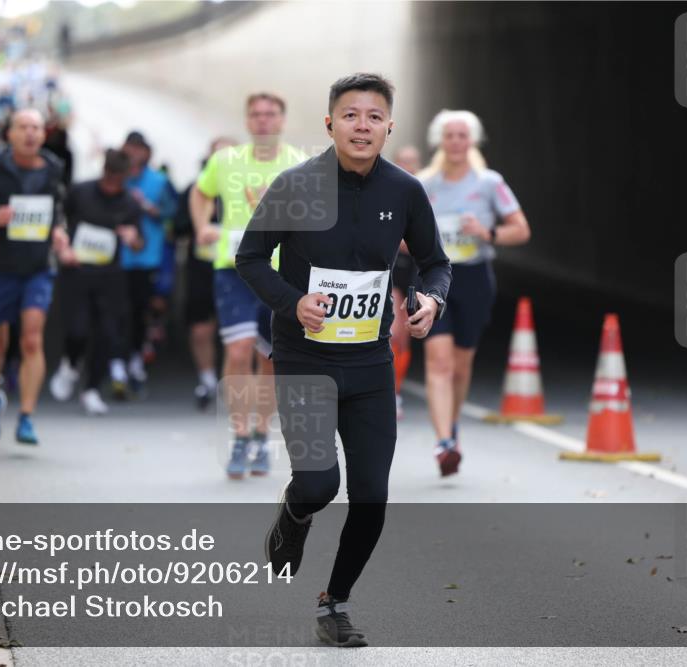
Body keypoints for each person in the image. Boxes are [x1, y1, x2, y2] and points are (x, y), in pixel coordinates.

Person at [236, 73, 451, 647]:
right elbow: (251, 257)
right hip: (304, 358)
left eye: (374, 116)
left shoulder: (405, 191)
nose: (363, 125)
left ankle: (336, 604)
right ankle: (295, 512)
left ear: (389, 126)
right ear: (330, 123)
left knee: (372, 497)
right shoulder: (295, 185)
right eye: (350, 115)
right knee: (319, 482)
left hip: (370, 363)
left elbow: (435, 262)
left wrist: (432, 298)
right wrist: (292, 301)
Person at [190, 94, 306, 479]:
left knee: (272, 359)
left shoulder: (300, 164)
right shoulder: (224, 162)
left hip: (281, 273)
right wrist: (202, 225)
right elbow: (200, 192)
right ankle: (239, 435)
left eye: (270, 114)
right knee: (238, 349)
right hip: (234, 268)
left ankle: (260, 433)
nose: (262, 121)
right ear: (247, 120)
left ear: (282, 121)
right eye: (255, 115)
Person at [417, 109, 531, 476]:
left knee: (461, 365)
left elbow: (521, 229)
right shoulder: (423, 184)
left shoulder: (488, 183)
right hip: (434, 279)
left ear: (472, 141)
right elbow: (401, 237)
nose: (455, 142)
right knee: (439, 361)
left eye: (462, 136)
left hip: (474, 278)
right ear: (439, 141)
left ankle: (452, 428)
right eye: (449, 135)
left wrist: (486, 233)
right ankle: (444, 442)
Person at [0, 108, 68, 445]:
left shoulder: (52, 169)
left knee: (32, 339)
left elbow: (58, 211)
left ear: (43, 134)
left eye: (36, 127)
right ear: (10, 134)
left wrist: (60, 232)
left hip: (37, 268)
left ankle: (26, 417)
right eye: (23, 127)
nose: (30, 133)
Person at [49, 149, 142, 415]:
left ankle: (91, 389)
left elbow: (139, 242)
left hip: (109, 276)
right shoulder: (80, 192)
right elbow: (58, 221)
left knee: (108, 334)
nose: (112, 182)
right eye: (108, 175)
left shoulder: (130, 204)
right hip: (76, 271)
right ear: (103, 171)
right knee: (77, 329)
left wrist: (132, 238)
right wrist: (62, 248)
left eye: (118, 178)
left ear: (126, 177)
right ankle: (70, 364)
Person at [173, 137, 237, 409]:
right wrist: (200, 227)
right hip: (202, 267)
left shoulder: (248, 187)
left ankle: (234, 385)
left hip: (239, 269)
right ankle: (207, 379)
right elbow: (177, 227)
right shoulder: (196, 189)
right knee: (201, 329)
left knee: (239, 333)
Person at [118, 131, 177, 395]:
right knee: (116, 311)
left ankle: (136, 355)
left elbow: (175, 212)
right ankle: (116, 360)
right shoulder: (116, 176)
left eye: (138, 149)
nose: (133, 154)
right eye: (129, 149)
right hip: (117, 256)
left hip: (148, 256)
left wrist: (154, 210)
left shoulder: (159, 181)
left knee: (141, 310)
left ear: (146, 153)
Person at [390, 144, 422, 419]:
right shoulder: (386, 193)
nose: (407, 167)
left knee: (406, 337)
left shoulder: (424, 195)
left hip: (415, 273)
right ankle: (391, 394)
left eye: (412, 162)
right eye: (403, 161)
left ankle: (396, 390)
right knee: (394, 332)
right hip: (392, 274)